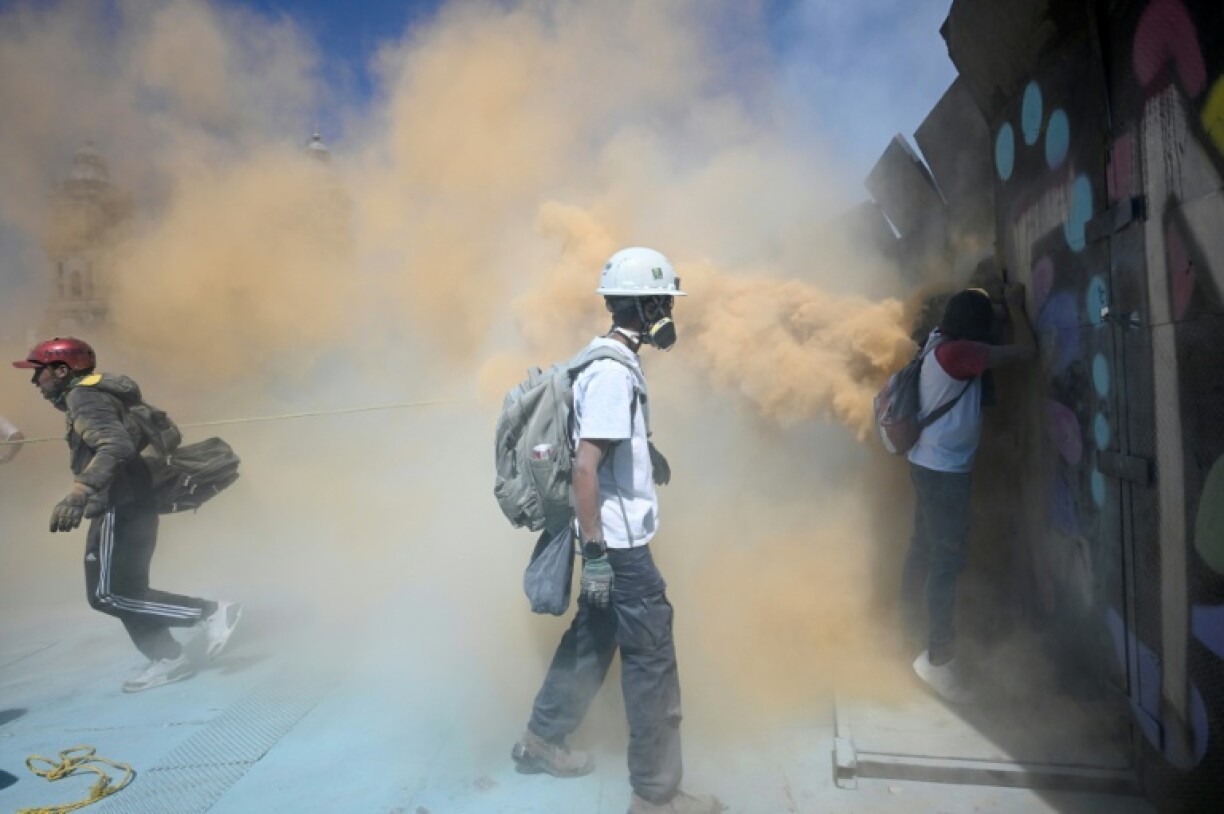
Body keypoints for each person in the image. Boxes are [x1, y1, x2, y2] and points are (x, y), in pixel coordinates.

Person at [511, 248, 721, 814]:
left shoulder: (604, 360)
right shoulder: (610, 373)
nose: (667, 312)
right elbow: (584, 466)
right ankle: (656, 797)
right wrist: (600, 556)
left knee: (592, 638)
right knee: (651, 659)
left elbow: (602, 446)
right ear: (645, 304)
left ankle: (541, 738)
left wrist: (644, 455)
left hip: (608, 540)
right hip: (622, 549)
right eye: (662, 301)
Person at [13, 337, 242, 693]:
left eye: (38, 373)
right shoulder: (99, 391)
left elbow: (115, 445)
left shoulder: (83, 396)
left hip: (121, 503)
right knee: (128, 589)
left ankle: (209, 613)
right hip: (132, 500)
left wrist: (80, 491)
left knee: (105, 594)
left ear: (61, 371)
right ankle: (166, 657)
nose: (35, 383)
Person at [902, 285, 1036, 704]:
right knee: (946, 561)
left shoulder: (937, 341)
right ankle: (937, 660)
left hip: (926, 462)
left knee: (923, 549)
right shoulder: (960, 353)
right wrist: (1015, 306)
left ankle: (906, 633)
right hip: (944, 472)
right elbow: (1027, 354)